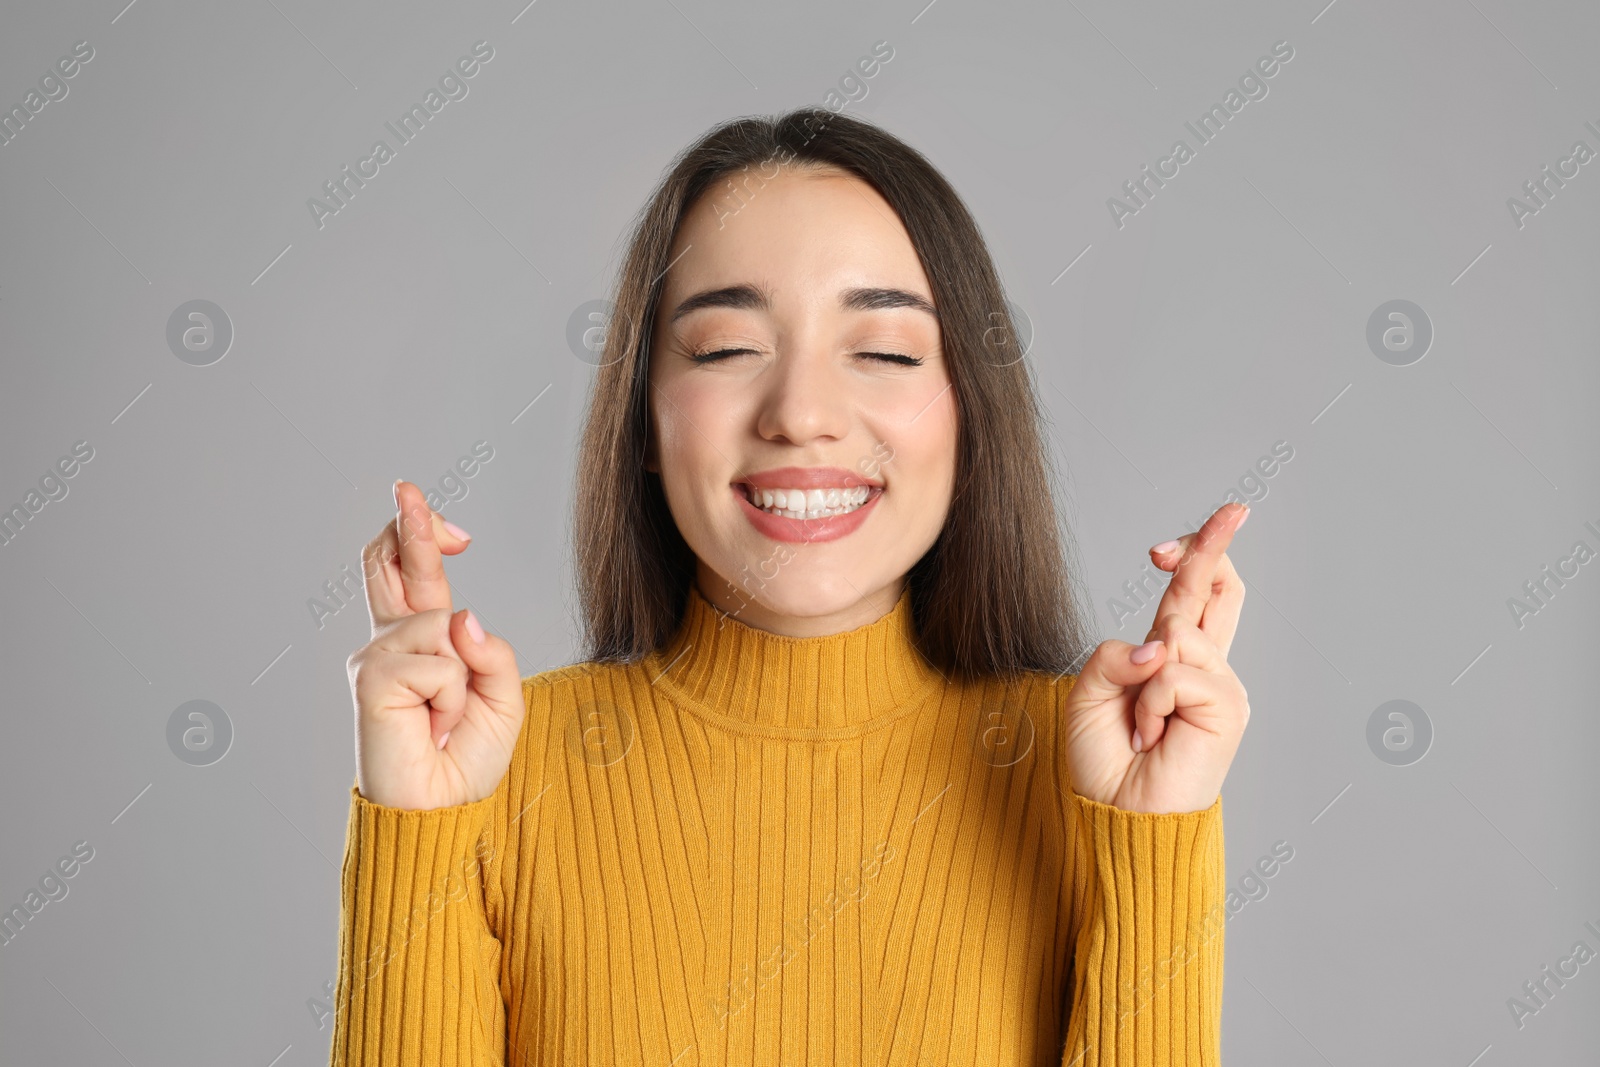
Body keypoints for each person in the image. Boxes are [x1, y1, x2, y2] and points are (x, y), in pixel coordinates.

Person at [329, 107, 1251, 1066]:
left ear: (973, 415)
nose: (803, 414)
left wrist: (1153, 838)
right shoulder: (496, 771)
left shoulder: (1092, 781)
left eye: (887, 351)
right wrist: (417, 825)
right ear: (643, 422)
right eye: (727, 348)